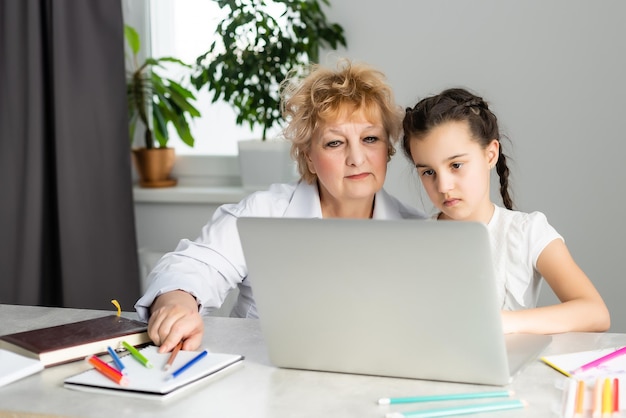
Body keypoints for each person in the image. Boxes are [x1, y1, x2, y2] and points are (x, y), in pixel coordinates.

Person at [135, 60, 427, 352]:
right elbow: (195, 265)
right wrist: (177, 302)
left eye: (370, 139)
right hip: (256, 379)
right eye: (335, 143)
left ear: (387, 149)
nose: (357, 158)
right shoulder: (264, 212)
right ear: (309, 156)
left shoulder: (417, 232)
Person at [401, 87, 610, 334]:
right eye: (428, 172)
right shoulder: (412, 240)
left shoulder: (527, 232)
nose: (443, 186)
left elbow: (595, 313)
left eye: (456, 165)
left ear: (490, 155)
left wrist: (502, 323)